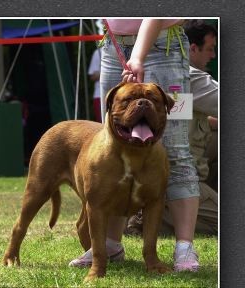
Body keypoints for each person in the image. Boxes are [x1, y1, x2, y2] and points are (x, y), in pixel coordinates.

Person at [69, 19, 201, 272]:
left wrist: (138, 56)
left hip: (164, 47)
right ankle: (110, 244)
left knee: (176, 152)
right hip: (112, 45)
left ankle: (184, 249)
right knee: (111, 152)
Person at [126, 20, 219, 236]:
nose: (213, 56)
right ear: (190, 47)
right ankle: (148, 218)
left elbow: (183, 114)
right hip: (170, 179)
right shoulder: (189, 77)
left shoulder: (178, 78)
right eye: (210, 49)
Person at [88, 48, 102, 122]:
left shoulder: (122, 50)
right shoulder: (98, 52)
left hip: (118, 94)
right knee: (101, 125)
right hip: (99, 95)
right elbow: (92, 76)